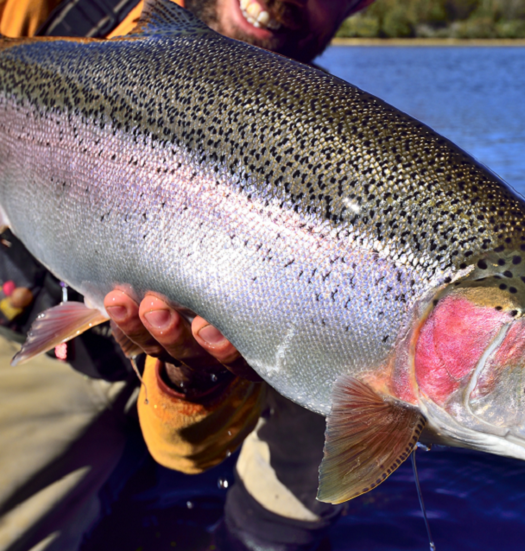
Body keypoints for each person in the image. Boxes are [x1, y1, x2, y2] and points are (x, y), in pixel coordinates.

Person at [0, 0, 374, 549]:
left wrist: (190, 378)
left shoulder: (342, 145)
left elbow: (184, 449)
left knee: (359, 365)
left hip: (199, 389)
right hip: (46, 343)